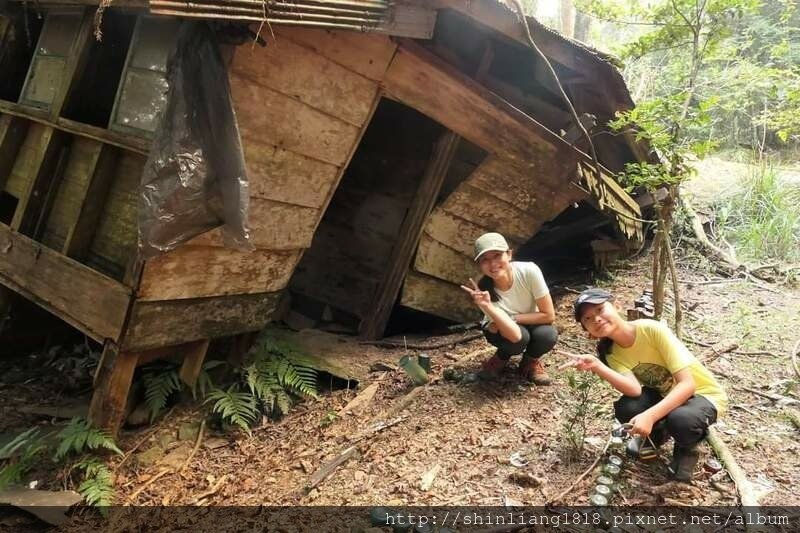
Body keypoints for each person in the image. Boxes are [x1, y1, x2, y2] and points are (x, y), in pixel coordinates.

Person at [567, 288, 728, 481]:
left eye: (600, 309)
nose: (596, 319)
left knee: (682, 420)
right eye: (588, 319)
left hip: (703, 394)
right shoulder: (612, 353)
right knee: (628, 407)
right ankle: (658, 435)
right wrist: (597, 366)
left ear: (616, 306)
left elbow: (687, 385)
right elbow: (633, 390)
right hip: (666, 394)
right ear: (587, 331)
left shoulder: (651, 329)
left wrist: (650, 416)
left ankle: (687, 450)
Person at [460, 232, 558, 385]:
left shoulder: (529, 271)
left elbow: (549, 315)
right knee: (520, 340)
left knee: (547, 334)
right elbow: (515, 336)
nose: (492, 264)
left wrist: (513, 317)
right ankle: (501, 357)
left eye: (497, 255)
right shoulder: (484, 291)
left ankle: (530, 362)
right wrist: (487, 305)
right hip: (499, 329)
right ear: (479, 265)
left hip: (530, 319)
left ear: (509, 254)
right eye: (485, 259)